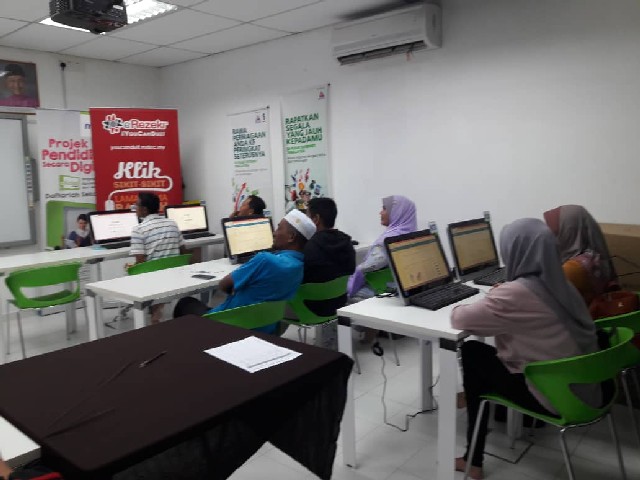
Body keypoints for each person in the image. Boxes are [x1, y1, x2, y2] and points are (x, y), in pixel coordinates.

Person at [451, 218, 600, 480]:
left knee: (473, 352)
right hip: (590, 387)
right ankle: (481, 428)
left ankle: (473, 459)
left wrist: (497, 297)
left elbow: (459, 318)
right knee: (485, 358)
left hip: (559, 398)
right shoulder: (561, 283)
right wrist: (504, 295)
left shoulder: (516, 294)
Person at [174, 209, 316, 334]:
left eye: (279, 228)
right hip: (266, 328)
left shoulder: (264, 259)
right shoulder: (299, 266)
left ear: (291, 237)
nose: (274, 233)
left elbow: (224, 285)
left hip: (228, 324)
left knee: (186, 303)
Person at [298, 197, 356, 348]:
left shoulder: (310, 247)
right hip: (340, 302)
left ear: (316, 219)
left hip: (311, 308)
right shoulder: (346, 242)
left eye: (307, 217)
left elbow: (301, 279)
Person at [543, 204, 618, 306]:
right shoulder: (593, 258)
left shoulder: (573, 269)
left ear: (568, 231)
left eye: (554, 232)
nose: (549, 238)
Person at [130, 192, 187, 324]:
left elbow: (140, 263)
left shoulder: (138, 229)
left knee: (130, 271)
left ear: (144, 209)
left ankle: (155, 312)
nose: (134, 208)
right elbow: (183, 251)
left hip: (153, 279)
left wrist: (131, 267)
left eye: (136, 205)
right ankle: (157, 310)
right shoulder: (172, 223)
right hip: (175, 276)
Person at [347, 195, 417, 300]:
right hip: (401, 290)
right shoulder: (413, 235)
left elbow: (363, 270)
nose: (380, 213)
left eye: (384, 209)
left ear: (396, 212)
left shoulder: (387, 241)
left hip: (380, 292)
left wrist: (349, 290)